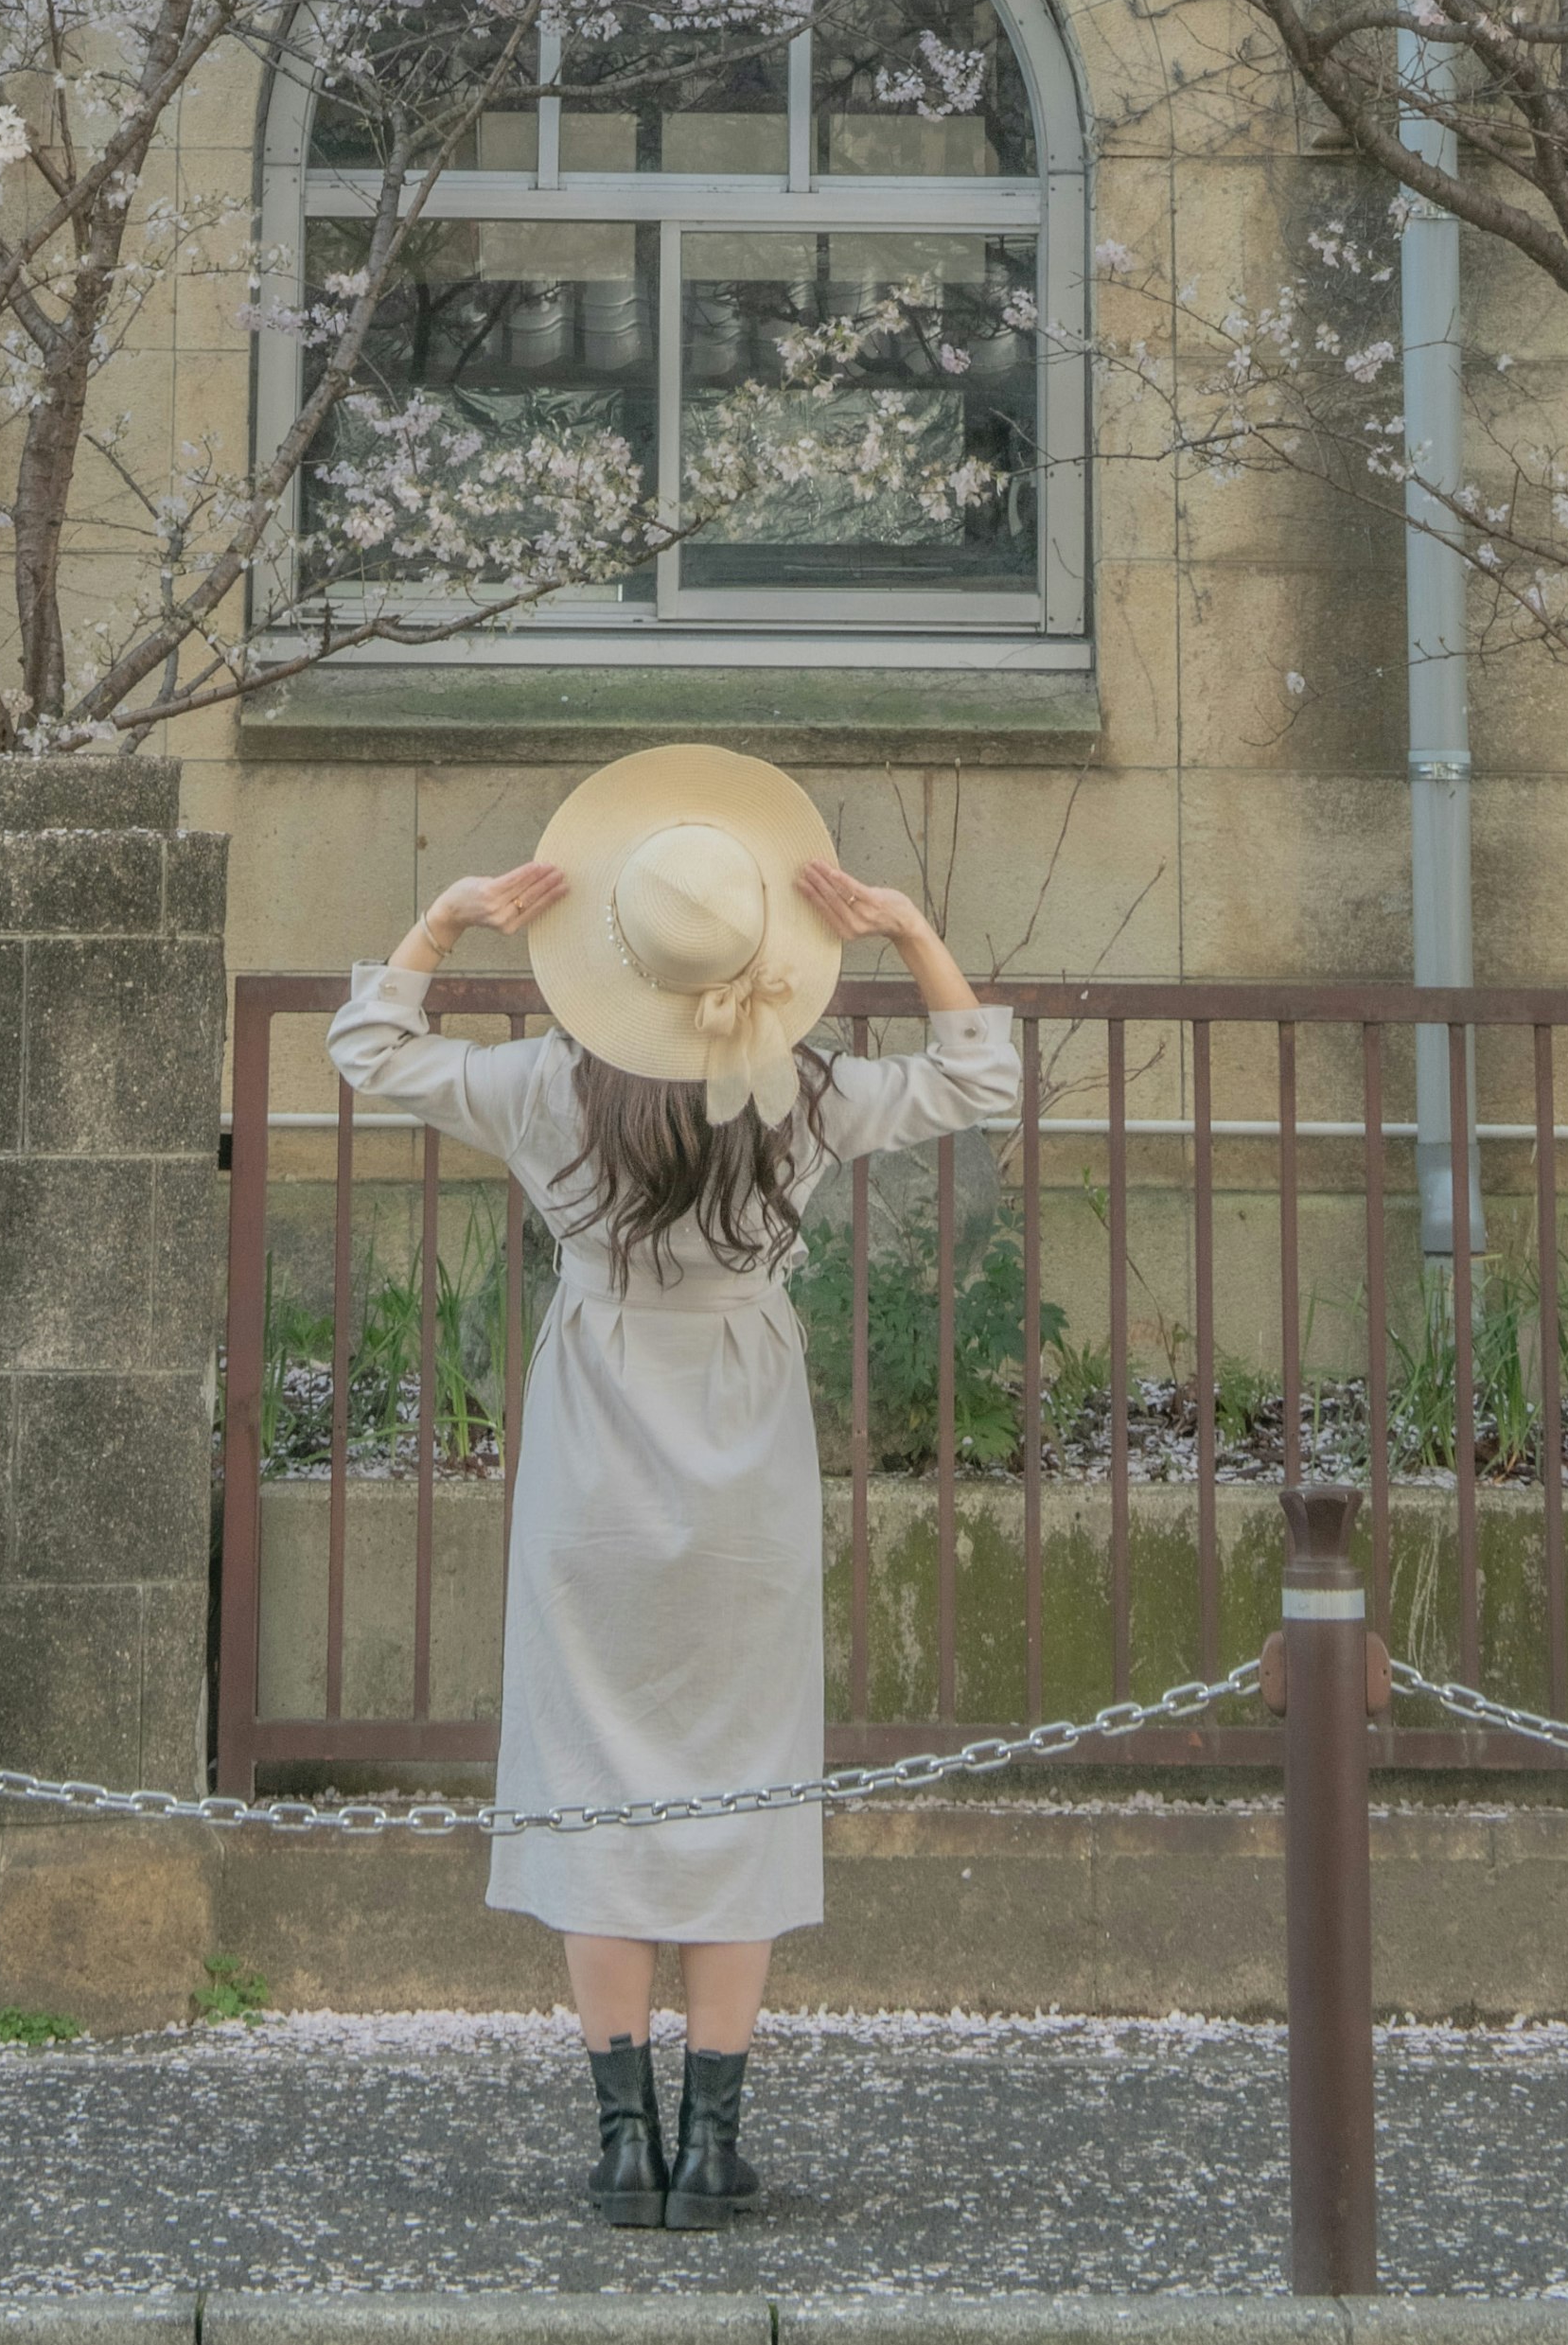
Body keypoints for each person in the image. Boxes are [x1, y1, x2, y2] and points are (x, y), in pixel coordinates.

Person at [326, 740, 1021, 2232]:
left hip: (592, 1448)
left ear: (609, 963)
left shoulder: (534, 1092)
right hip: (745, 1455)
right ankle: (716, 2143)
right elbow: (980, 1074)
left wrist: (443, 926)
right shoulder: (808, 1095)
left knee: (592, 1779)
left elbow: (368, 1053)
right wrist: (903, 928)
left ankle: (618, 2140)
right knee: (744, 1777)